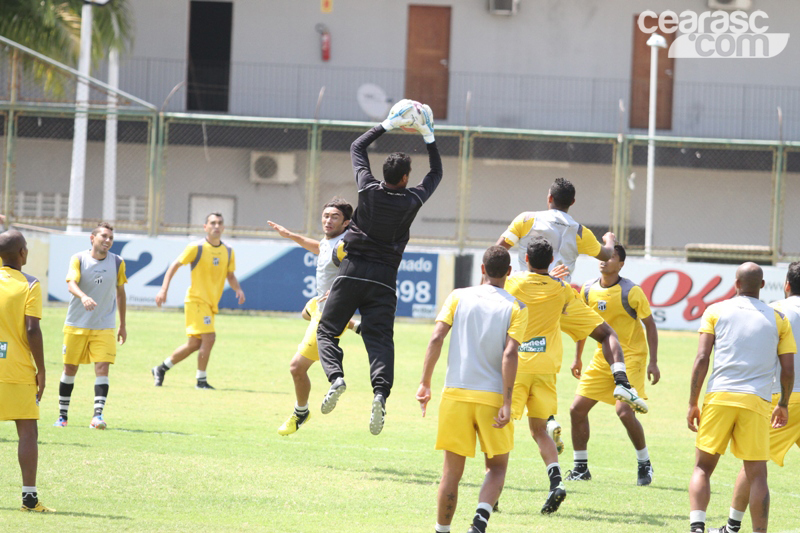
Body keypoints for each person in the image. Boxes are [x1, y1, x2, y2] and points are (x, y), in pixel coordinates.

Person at [317, 100, 442, 435]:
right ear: (405, 178)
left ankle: (337, 378)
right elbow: (437, 173)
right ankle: (380, 395)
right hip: (385, 279)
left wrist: (388, 124)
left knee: (327, 331)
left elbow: (357, 146)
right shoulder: (413, 199)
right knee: (380, 340)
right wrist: (427, 133)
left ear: (384, 175)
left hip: (353, 269)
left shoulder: (368, 189)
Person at [496, 177, 644, 444]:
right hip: (560, 297)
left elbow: (499, 250)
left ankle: (536, 417)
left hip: (522, 297)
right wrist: (609, 239)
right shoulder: (578, 231)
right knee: (606, 334)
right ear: (572, 202)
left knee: (518, 355)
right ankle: (621, 381)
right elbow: (606, 254)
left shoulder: (527, 218)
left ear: (548, 197)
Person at [417, 246, 527, 533]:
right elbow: (510, 354)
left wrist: (425, 382)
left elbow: (436, 337)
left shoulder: (458, 296)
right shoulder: (516, 306)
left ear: (482, 268)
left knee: (451, 473)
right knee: (497, 467)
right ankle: (479, 522)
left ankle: (442, 530)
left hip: (455, 394)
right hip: (491, 397)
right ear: (509, 273)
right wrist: (507, 401)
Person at [687, 262, 795, 533]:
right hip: (757, 402)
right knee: (758, 473)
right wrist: (782, 404)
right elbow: (788, 369)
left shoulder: (715, 310)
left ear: (735, 284)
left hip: (719, 397)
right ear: (761, 286)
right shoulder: (777, 317)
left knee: (702, 468)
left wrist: (692, 402)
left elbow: (702, 358)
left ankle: (697, 528)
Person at [269, 197, 362, 436]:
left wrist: (340, 287)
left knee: (296, 368)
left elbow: (356, 269)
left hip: (331, 313)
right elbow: (319, 247)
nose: (328, 220)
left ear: (346, 223)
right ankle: (353, 325)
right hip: (320, 305)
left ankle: (301, 413)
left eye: (335, 217)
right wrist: (291, 235)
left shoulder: (345, 244)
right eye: (326, 216)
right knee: (306, 311)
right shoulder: (329, 241)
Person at [569, 244, 660, 485]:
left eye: (611, 258)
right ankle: (580, 468)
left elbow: (650, 325)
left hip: (631, 358)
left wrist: (654, 362)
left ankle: (644, 463)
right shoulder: (587, 289)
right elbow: (582, 324)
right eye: (602, 257)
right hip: (602, 357)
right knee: (576, 410)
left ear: (621, 264)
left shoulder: (631, 291)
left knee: (624, 412)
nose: (604, 261)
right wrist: (577, 357)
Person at [503, 237, 576, 514]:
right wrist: (553, 279)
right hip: (546, 367)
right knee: (539, 430)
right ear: (550, 261)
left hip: (518, 365)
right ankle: (556, 482)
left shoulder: (515, 284)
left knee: (503, 425)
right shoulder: (562, 289)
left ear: (527, 260)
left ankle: (494, 493)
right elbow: (563, 297)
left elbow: (497, 283)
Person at [152, 212, 245, 389]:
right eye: (212, 223)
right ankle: (201, 381)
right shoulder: (196, 247)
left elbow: (230, 275)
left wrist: (238, 289)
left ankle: (160, 369)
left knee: (194, 344)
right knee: (209, 338)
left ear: (223, 227)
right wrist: (164, 289)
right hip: (196, 301)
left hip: (210, 304)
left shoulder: (228, 251)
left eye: (219, 223)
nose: (216, 226)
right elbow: (175, 265)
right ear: (205, 227)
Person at [54, 222, 127, 430]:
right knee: (70, 368)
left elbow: (121, 293)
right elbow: (71, 283)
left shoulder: (117, 262)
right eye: (104, 236)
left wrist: (122, 324)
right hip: (76, 323)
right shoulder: (78, 259)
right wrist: (84, 296)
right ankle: (62, 416)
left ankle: (97, 417)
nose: (108, 240)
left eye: (111, 238)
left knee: (102, 367)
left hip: (104, 324)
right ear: (92, 238)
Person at [0, 229, 54, 512]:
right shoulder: (30, 284)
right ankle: (29, 498)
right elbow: (33, 329)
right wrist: (41, 369)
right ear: (23, 254)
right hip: (16, 369)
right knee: (27, 431)